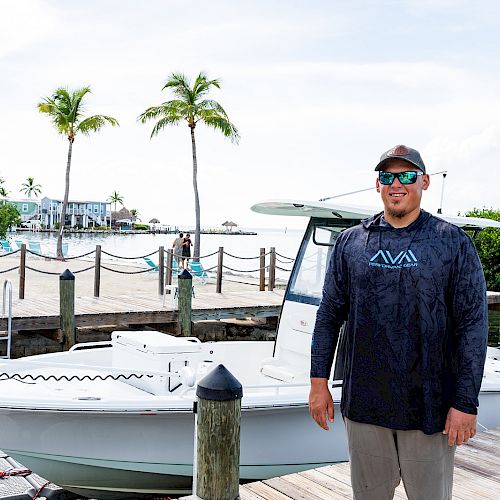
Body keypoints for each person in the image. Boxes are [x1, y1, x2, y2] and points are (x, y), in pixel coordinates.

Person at [309, 145, 488, 500]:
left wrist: (466, 402)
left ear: (424, 182)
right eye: (387, 176)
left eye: (406, 176)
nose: (396, 184)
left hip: (430, 408)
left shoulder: (453, 243)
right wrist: (318, 382)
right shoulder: (351, 243)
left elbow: (473, 326)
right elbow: (329, 314)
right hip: (364, 405)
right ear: (378, 185)